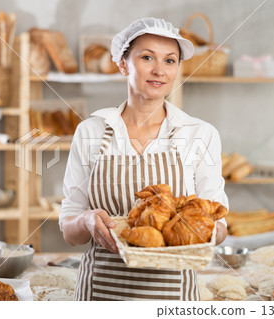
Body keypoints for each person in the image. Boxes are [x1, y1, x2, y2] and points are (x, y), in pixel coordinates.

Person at [59, 17, 228, 301]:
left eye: (170, 61)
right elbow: (69, 229)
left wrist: (199, 229)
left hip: (173, 299)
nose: (159, 71)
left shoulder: (200, 134)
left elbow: (220, 224)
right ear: (123, 64)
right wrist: (86, 221)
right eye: (147, 57)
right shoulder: (91, 132)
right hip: (100, 295)